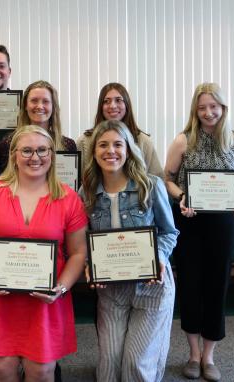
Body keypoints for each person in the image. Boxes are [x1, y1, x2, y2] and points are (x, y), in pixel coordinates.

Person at [0, 125, 88, 381]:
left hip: (46, 301)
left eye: (42, 150)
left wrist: (61, 289)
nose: (35, 157)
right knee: (1, 368)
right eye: (27, 150)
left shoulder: (68, 198)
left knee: (41, 370)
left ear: (52, 155)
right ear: (14, 156)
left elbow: (78, 253)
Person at [80, 120, 178, 381]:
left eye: (117, 144)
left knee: (136, 363)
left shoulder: (151, 185)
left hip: (151, 285)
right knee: (109, 363)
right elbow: (85, 239)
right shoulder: (86, 192)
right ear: (94, 151)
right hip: (111, 290)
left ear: (128, 149)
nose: (110, 151)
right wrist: (90, 263)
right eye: (103, 145)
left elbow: (169, 232)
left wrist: (157, 257)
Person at [164, 83, 234, 382]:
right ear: (195, 110)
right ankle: (193, 354)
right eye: (202, 107)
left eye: (213, 106)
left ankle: (210, 355)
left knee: (217, 287)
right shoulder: (183, 140)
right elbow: (168, 178)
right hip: (189, 222)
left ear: (223, 108)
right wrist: (180, 197)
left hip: (223, 226)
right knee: (190, 286)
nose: (208, 112)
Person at [77, 83, 164, 178]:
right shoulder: (84, 141)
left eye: (118, 100)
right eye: (106, 101)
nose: (113, 106)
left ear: (127, 105)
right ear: (101, 107)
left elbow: (157, 179)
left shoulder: (143, 141)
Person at [0, 80, 77, 171]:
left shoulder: (68, 145)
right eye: (34, 101)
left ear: (53, 107)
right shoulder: (8, 143)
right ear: (26, 106)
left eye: (45, 101)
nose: (39, 106)